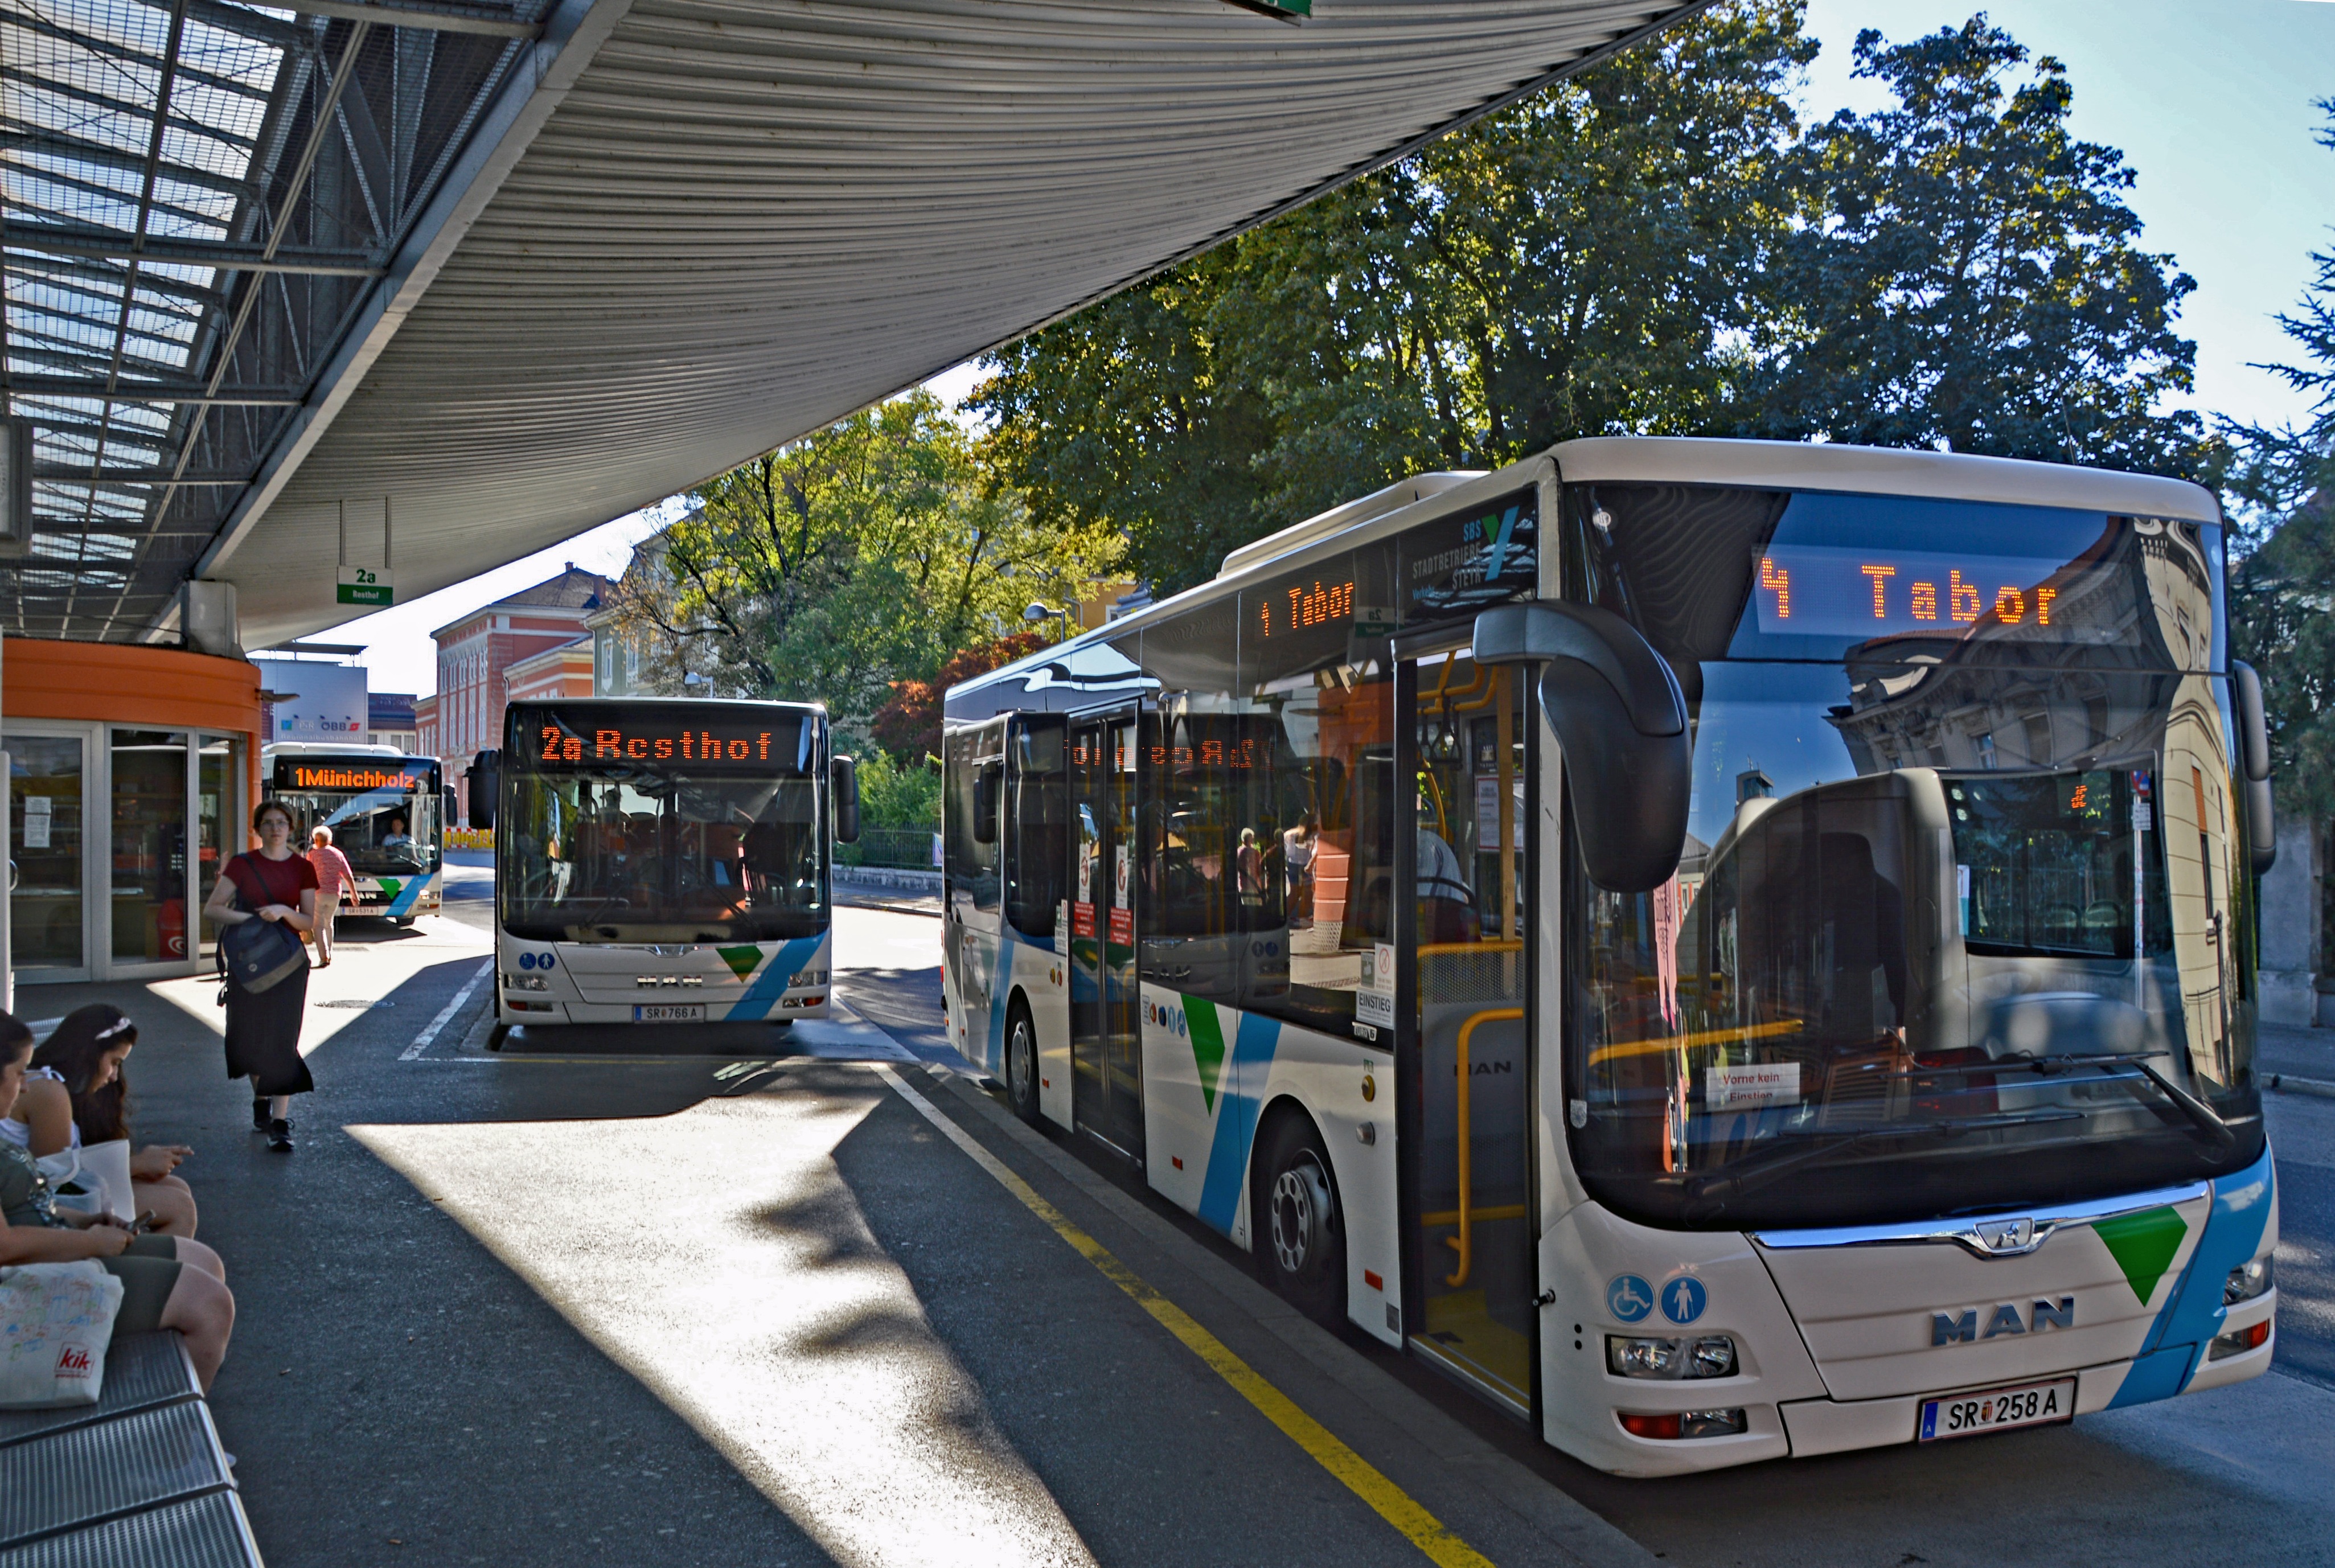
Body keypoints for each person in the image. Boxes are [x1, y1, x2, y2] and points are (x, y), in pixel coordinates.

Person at [0, 1011, 236, 1392]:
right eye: (18, 1074)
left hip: (54, 1245)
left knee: (205, 1261)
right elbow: (6, 1243)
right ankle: (163, 1417)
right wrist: (90, 1242)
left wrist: (85, 1221)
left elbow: (33, 1204)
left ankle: (161, 1383)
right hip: (27, 1282)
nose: (26, 1086)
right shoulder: (49, 1092)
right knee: (210, 1303)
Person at [7, 1006, 198, 1237]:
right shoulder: (49, 1091)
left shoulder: (58, 1087)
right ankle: (127, 1258)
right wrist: (137, 1165)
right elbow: (57, 1182)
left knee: (176, 1187)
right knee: (180, 1208)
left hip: (40, 1198)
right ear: (87, 1055)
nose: (115, 1076)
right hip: (35, 1210)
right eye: (114, 1062)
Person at [203, 799, 317, 1153]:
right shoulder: (242, 864)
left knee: (281, 1040)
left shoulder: (302, 868)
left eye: (281, 822)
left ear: (291, 828)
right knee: (249, 1039)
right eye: (268, 822)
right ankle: (260, 1099)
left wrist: (283, 911)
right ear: (258, 828)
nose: (275, 828)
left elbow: (308, 921)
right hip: (247, 963)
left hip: (288, 966)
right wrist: (252, 919)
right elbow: (213, 908)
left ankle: (279, 1124)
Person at [306, 824, 355, 965]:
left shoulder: (312, 855)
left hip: (318, 894)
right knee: (329, 923)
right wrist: (354, 894)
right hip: (334, 894)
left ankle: (324, 956)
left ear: (316, 840)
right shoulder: (338, 854)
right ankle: (330, 953)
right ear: (330, 840)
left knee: (318, 926)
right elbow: (348, 876)